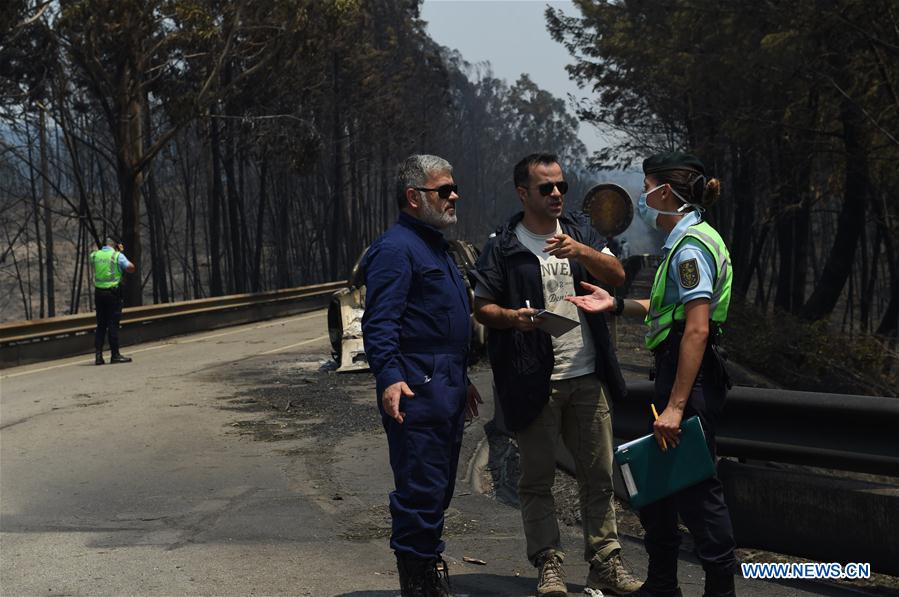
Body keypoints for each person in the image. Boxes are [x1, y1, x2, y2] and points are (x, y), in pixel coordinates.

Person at [566, 151, 737, 597]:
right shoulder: (682, 242)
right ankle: (662, 583)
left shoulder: (692, 248)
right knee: (656, 489)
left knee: (699, 492)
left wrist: (677, 407)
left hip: (689, 383)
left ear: (665, 192)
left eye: (645, 188)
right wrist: (616, 304)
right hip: (675, 378)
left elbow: (696, 330)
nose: (641, 197)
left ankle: (720, 589)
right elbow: (669, 311)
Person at [472, 153, 641, 597]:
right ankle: (548, 564)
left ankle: (605, 563)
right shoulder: (504, 244)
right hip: (534, 380)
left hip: (587, 375)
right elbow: (482, 306)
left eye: (561, 186)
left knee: (600, 475)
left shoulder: (582, 232)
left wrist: (580, 250)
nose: (556, 194)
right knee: (537, 480)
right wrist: (513, 316)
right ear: (523, 193)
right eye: (546, 187)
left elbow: (618, 275)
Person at [361, 154, 481, 597]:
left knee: (439, 488)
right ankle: (417, 583)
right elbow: (379, 323)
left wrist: (461, 377)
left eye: (453, 189)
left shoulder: (435, 246)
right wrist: (389, 377)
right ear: (414, 197)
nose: (454, 197)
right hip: (417, 388)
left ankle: (427, 567)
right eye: (443, 190)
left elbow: (442, 325)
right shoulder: (396, 250)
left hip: (444, 385)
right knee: (420, 490)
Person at [91, 237, 135, 365]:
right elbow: (131, 268)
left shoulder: (95, 255)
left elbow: (93, 257)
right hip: (112, 294)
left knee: (101, 325)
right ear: (116, 246)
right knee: (113, 324)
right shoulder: (117, 256)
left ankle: (98, 357)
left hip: (99, 294)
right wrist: (121, 253)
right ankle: (115, 355)